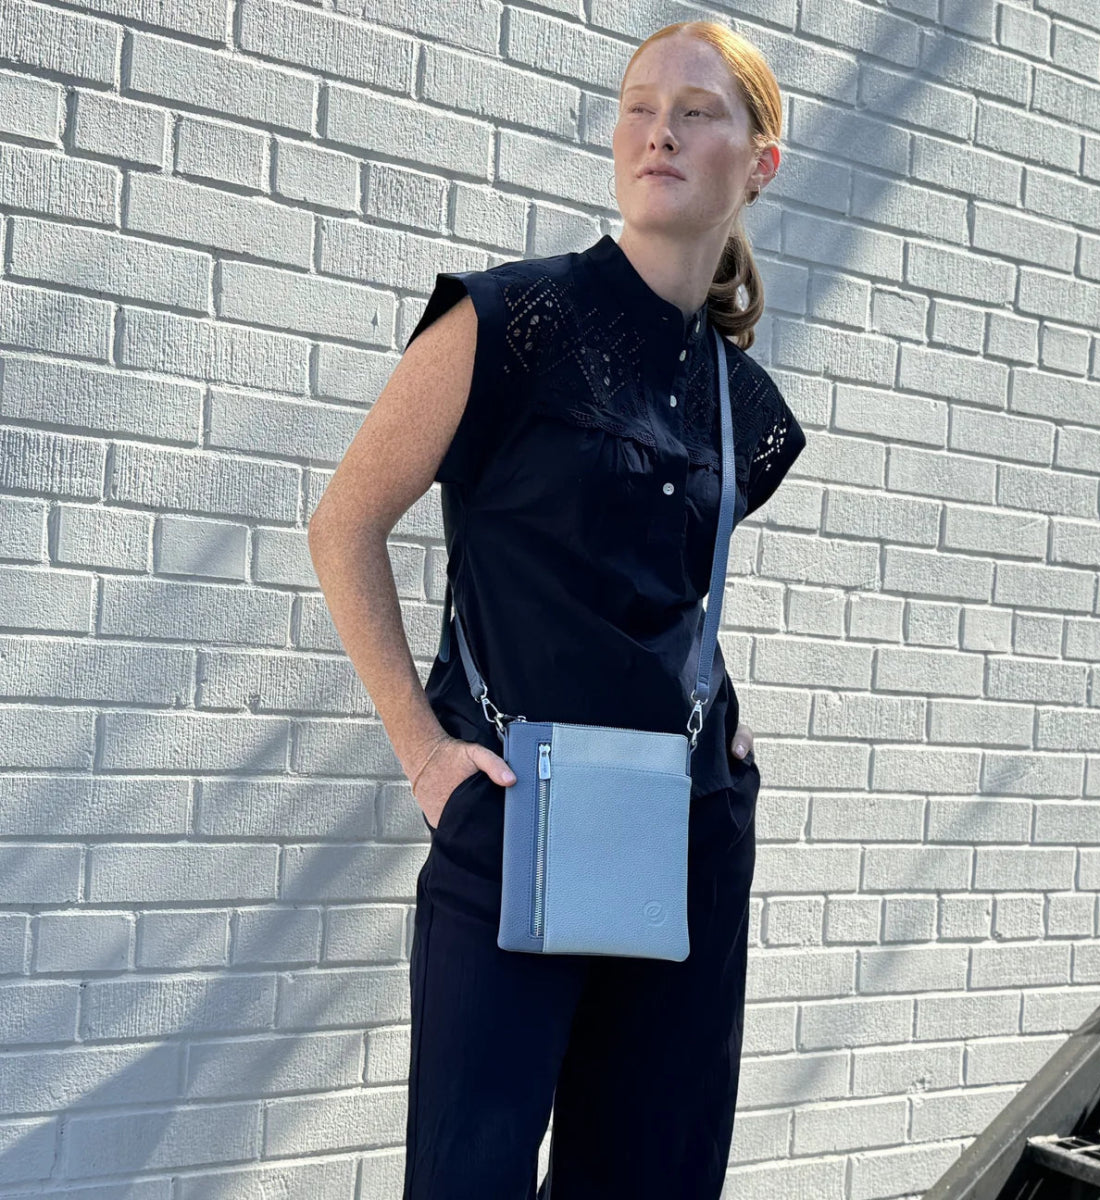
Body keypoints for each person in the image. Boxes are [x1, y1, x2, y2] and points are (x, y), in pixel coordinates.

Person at [308, 18, 806, 1200]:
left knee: (653, 1175)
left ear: (761, 159)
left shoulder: (750, 406)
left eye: (698, 110)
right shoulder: (507, 324)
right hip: (514, 817)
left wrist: (716, 709)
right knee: (471, 1179)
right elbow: (344, 526)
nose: (661, 131)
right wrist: (423, 753)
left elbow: (650, 579)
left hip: (681, 831)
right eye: (640, 105)